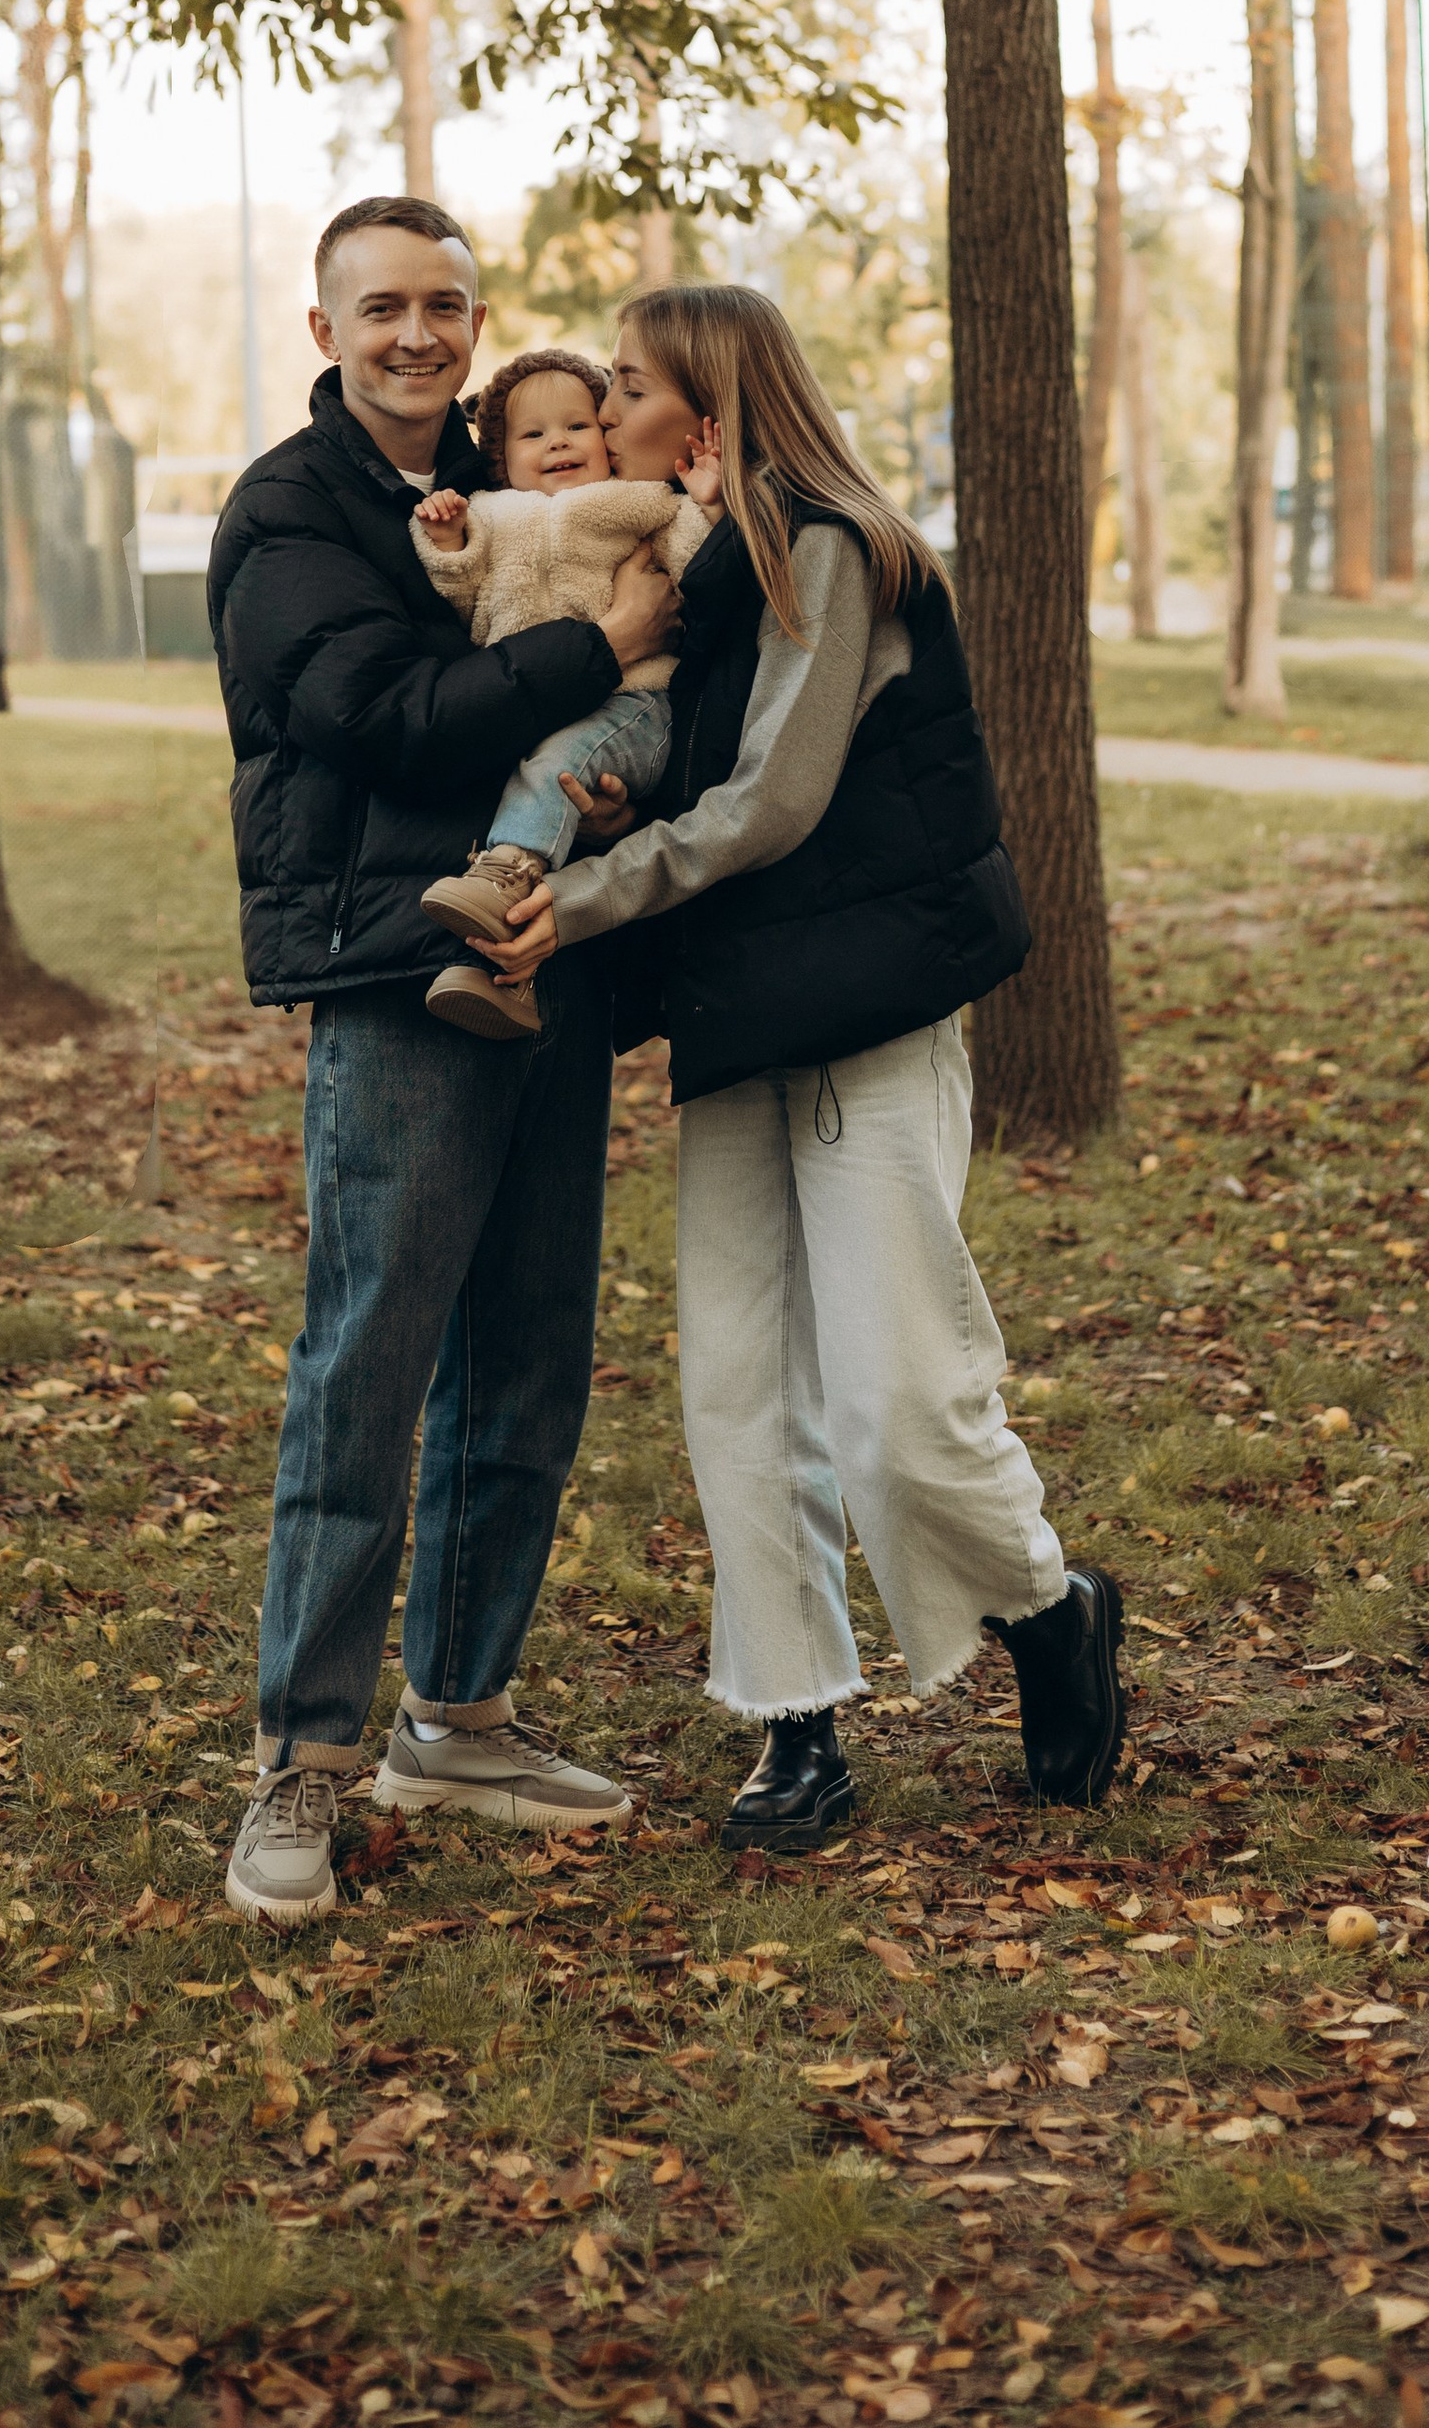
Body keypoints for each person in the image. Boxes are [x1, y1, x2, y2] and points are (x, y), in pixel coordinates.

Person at [478, 283, 1128, 1841]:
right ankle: (796, 1725)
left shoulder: (832, 547)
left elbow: (773, 802)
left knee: (901, 1399)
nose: (601, 410)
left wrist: (575, 901)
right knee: (740, 1393)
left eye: (626, 384)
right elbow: (706, 776)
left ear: (701, 411)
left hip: (870, 1017)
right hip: (738, 1021)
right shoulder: (704, 568)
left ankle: (1048, 1608)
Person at [206, 197, 682, 1921]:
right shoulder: (292, 508)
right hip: (398, 977)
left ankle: (459, 1714)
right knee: (372, 1365)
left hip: (543, 954)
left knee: (530, 1355)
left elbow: (571, 726)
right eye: (384, 306)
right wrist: (602, 652)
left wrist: (621, 763)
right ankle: (302, 1758)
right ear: (325, 327)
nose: (420, 332)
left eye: (446, 305)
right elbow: (379, 717)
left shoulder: (514, 492)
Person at [411, 348, 716, 1040]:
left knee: (553, 767)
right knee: (531, 779)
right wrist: (449, 538)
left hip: (632, 707)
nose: (557, 443)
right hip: (531, 714)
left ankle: (507, 874)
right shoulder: (490, 514)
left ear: (605, 440)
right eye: (532, 434)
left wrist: (704, 505)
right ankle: (504, 978)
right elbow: (458, 592)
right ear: (500, 458)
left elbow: (694, 567)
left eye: (577, 426)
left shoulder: (639, 503)